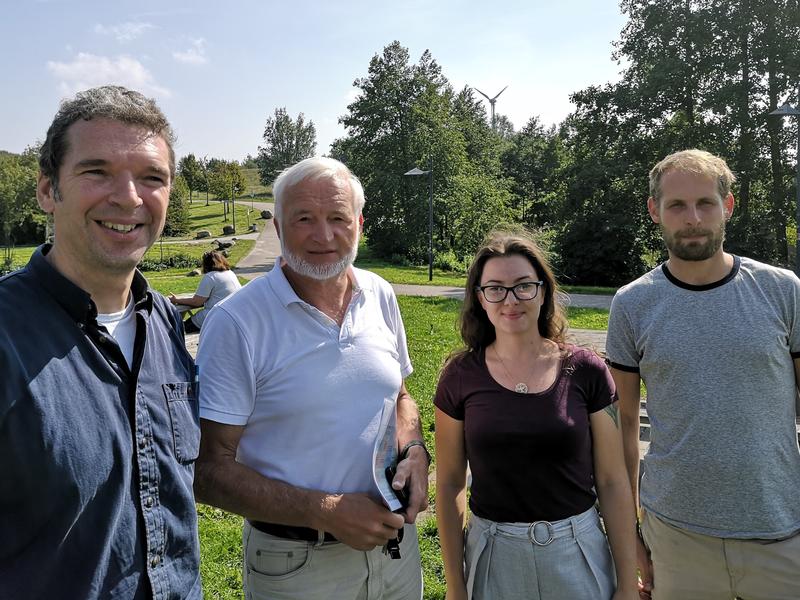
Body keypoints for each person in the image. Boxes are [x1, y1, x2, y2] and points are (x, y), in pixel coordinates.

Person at [194, 156, 429, 600]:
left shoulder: (379, 293)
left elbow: (400, 398)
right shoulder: (236, 322)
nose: (323, 236)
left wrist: (414, 447)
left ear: (359, 224)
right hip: (298, 565)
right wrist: (326, 511)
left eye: (338, 218)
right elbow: (207, 471)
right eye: (304, 219)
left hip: (396, 551)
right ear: (280, 229)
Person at [0, 86, 201, 598]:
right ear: (48, 190)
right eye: (97, 172)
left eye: (152, 178)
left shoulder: (162, 323)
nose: (129, 197)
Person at [606, 149, 800, 600]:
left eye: (705, 203)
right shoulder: (632, 304)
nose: (693, 218)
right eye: (676, 205)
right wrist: (629, 530)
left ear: (727, 206)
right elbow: (623, 427)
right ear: (655, 211)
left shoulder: (782, 290)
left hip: (782, 531)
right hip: (676, 536)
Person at [435, 230, 638, 600]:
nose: (510, 299)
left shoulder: (587, 370)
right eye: (495, 288)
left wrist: (627, 583)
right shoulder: (460, 376)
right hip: (493, 553)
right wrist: (454, 587)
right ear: (479, 298)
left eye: (523, 286)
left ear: (543, 291)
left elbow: (611, 480)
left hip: (576, 551)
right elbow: (449, 484)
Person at [169, 250, 241, 332]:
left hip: (214, 317)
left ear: (206, 264)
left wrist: (176, 300)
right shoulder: (230, 273)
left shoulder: (210, 277)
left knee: (179, 329)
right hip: (232, 316)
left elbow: (197, 302)